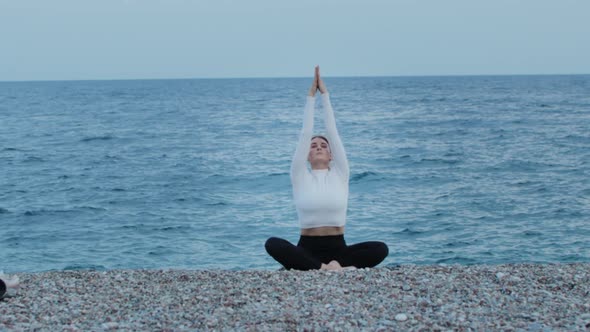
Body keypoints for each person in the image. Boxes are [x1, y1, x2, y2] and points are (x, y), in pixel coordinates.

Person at [265, 66, 389, 271]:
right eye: (313, 146)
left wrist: (325, 95)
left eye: (324, 146)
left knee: (380, 249)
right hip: (306, 247)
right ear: (306, 154)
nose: (319, 148)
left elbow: (333, 132)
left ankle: (324, 267)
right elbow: (305, 133)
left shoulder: (340, 174)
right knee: (272, 243)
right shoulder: (300, 175)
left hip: (339, 249)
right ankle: (326, 268)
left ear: (332, 155)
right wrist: (311, 97)